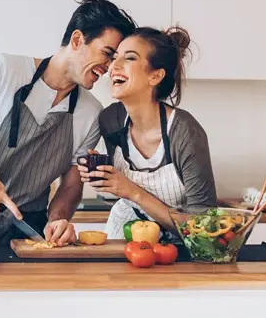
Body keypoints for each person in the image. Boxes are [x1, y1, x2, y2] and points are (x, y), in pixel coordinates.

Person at [0, 0, 138, 246]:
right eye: (107, 54)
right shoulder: (5, 70)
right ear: (77, 40)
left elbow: (71, 183)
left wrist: (58, 220)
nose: (109, 67)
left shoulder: (91, 112)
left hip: (33, 230)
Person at [78, 26, 218, 240]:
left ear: (156, 76)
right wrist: (101, 174)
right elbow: (115, 180)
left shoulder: (184, 132)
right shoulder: (110, 119)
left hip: (179, 245)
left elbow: (204, 227)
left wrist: (131, 191)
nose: (114, 65)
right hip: (123, 233)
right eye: (115, 57)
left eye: (130, 58)